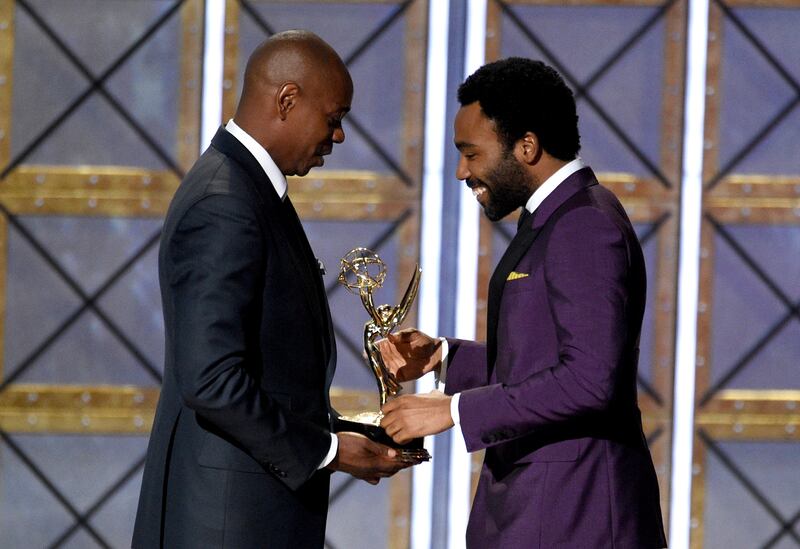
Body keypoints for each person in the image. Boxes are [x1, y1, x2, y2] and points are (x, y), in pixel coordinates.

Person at [133, 31, 416, 549]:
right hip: (226, 526)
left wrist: (347, 432)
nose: (339, 137)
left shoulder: (250, 190)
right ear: (287, 100)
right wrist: (328, 451)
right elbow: (212, 381)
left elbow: (271, 371)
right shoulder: (225, 202)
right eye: (334, 119)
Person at [378, 58, 667, 548]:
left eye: (471, 153)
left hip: (577, 516)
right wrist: (445, 357)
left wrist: (454, 410)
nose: (460, 171)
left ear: (527, 146)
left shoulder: (584, 225)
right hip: (540, 511)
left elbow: (589, 379)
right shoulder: (553, 219)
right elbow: (540, 362)